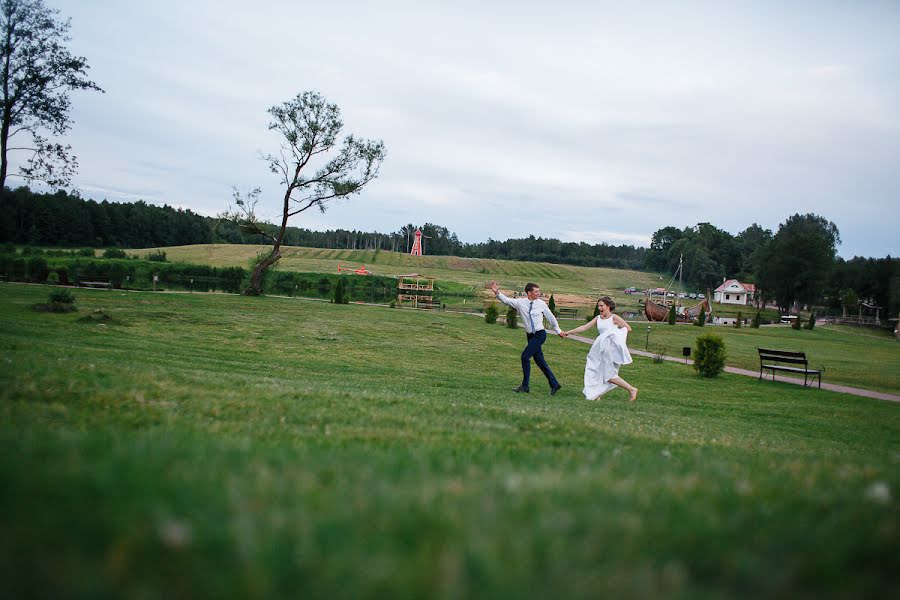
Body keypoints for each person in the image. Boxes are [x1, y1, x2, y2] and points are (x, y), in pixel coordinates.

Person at [490, 281, 564, 395]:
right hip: (530, 336)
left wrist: (558, 330)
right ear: (529, 293)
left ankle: (525, 386)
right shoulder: (520, 302)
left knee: (525, 357)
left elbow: (551, 317)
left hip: (540, 334)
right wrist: (497, 292)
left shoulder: (541, 304)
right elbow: (507, 300)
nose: (539, 293)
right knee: (540, 361)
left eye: (539, 291)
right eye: (536, 291)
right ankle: (554, 384)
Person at [561, 296, 638, 401]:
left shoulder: (614, 318)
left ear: (608, 306)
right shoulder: (598, 318)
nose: (599, 308)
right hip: (599, 349)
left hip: (610, 350)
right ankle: (597, 395)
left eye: (601, 306)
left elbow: (628, 328)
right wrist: (568, 332)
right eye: (598, 306)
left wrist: (612, 334)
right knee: (596, 371)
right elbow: (584, 327)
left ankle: (631, 389)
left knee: (609, 376)